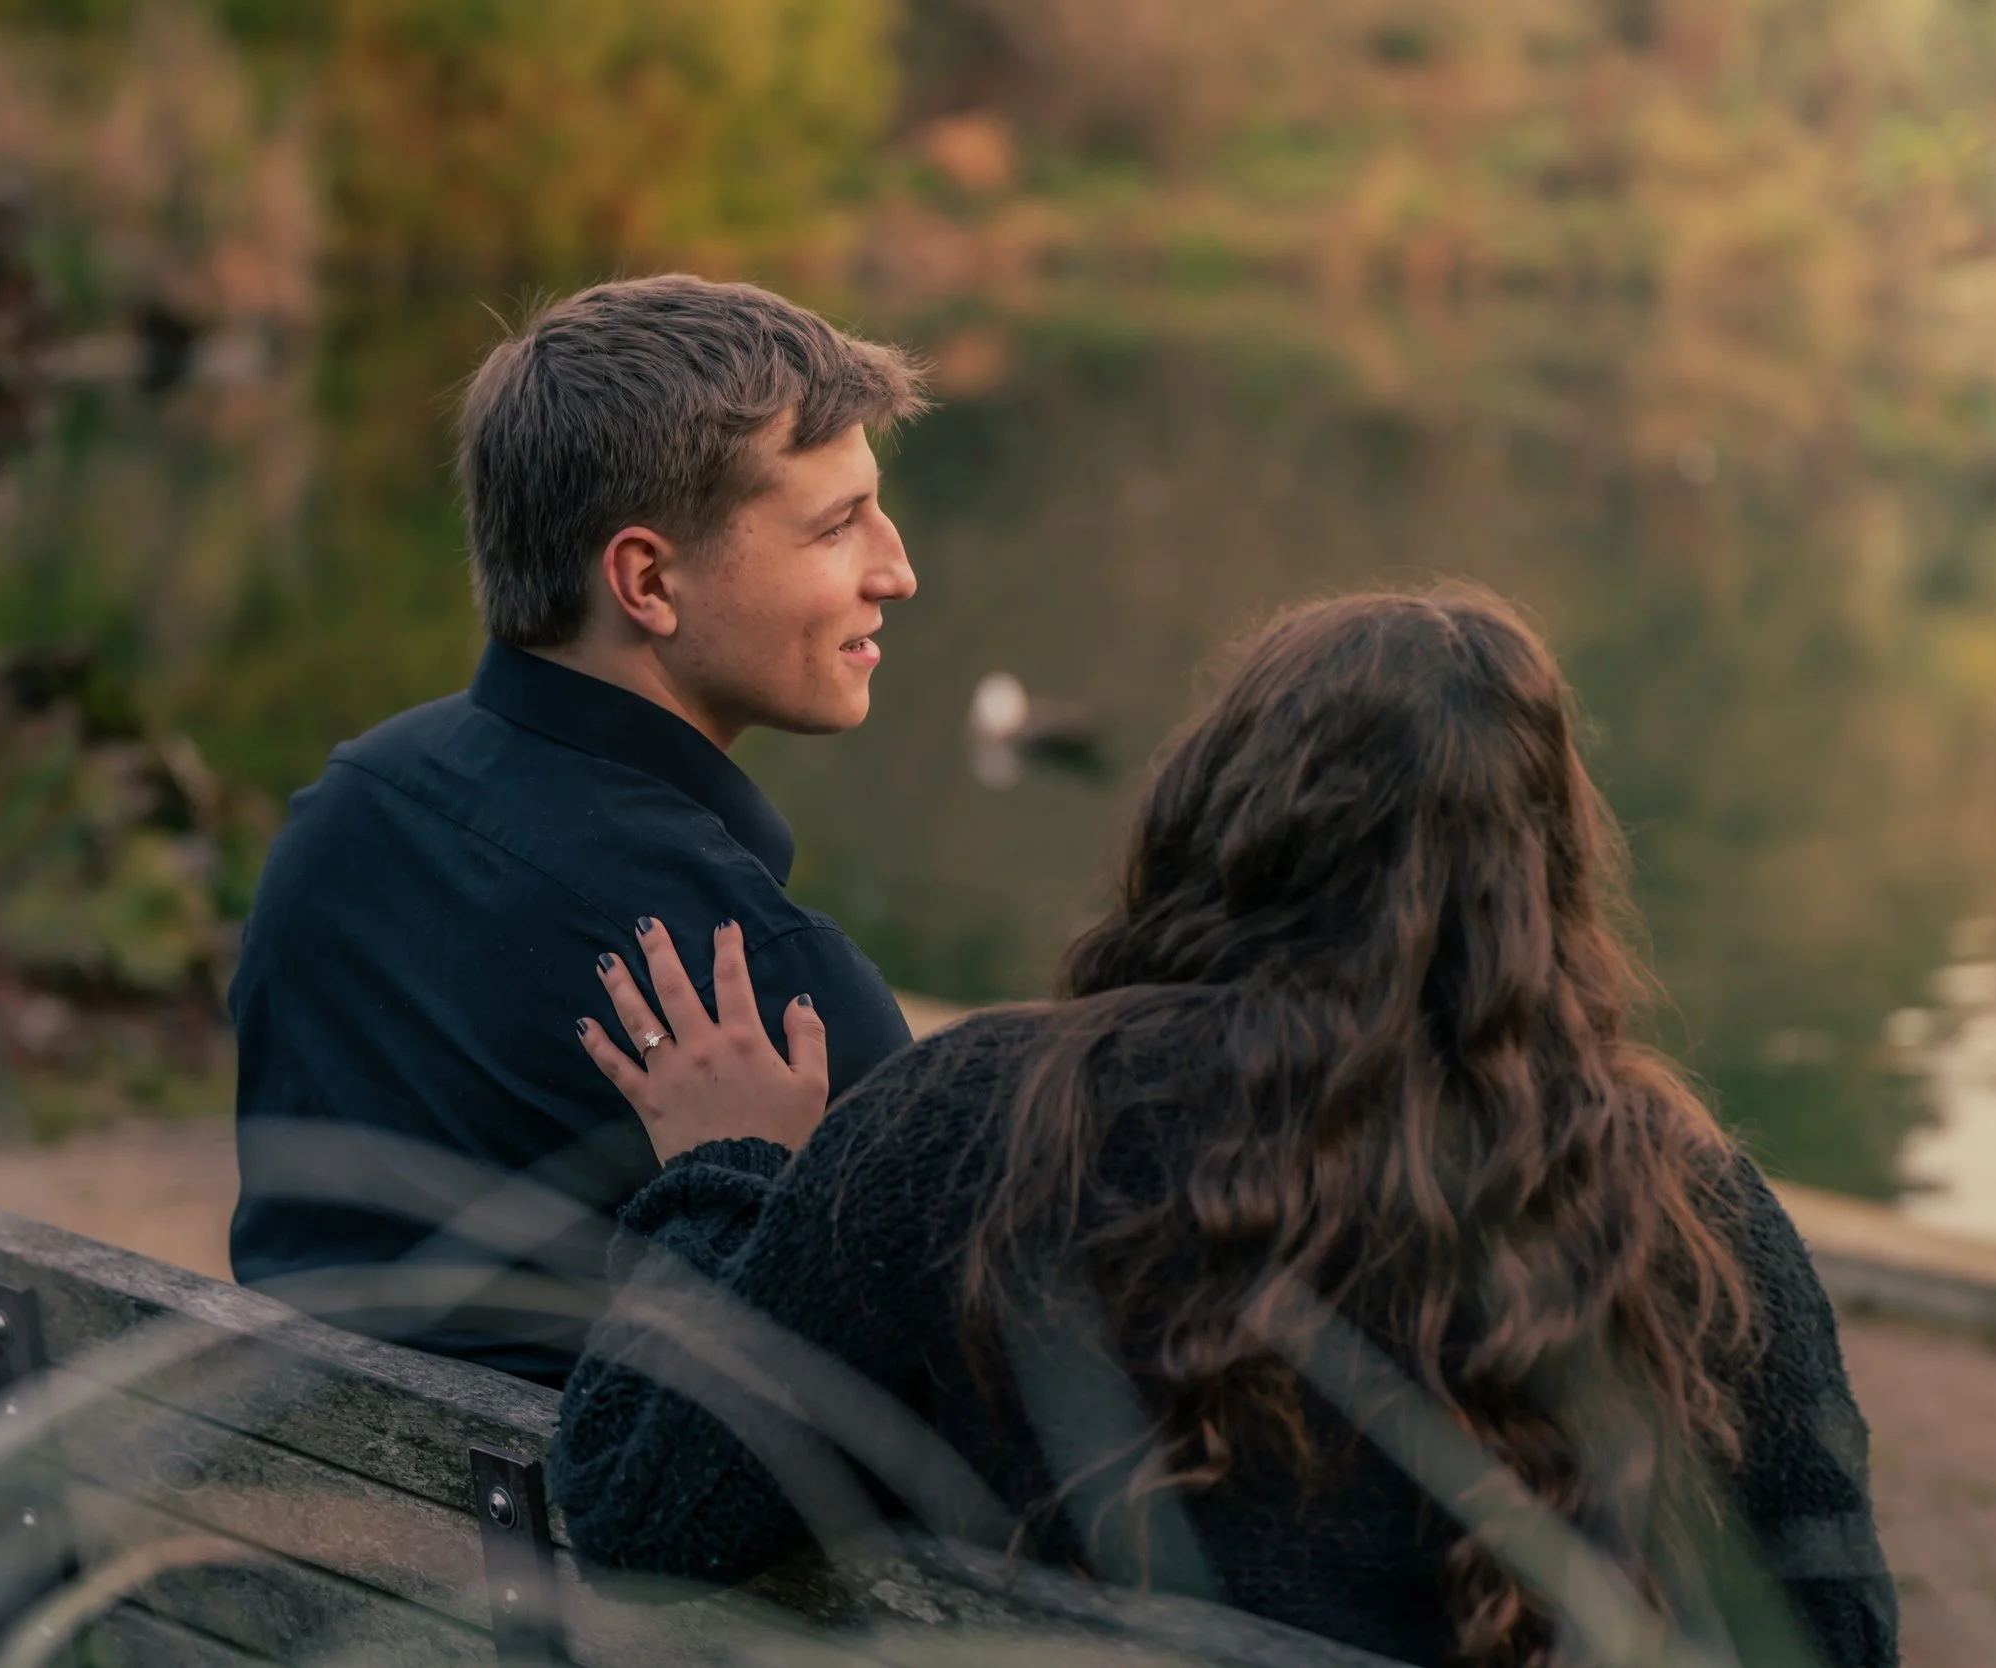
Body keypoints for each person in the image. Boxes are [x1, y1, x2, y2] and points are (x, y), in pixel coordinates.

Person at [550, 588, 1899, 1668]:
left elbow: (641, 1514)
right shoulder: (1690, 1217)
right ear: (1544, 879)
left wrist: (727, 1176)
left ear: (1215, 817)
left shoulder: (971, 1122)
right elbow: (1836, 1639)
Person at [227, 276, 929, 1385]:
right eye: (836, 526)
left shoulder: (346, 817)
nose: (895, 570)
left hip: (303, 1517)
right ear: (646, 579)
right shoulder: (759, 1000)